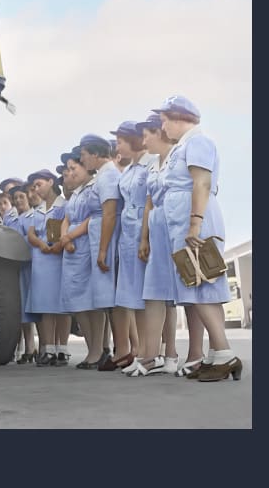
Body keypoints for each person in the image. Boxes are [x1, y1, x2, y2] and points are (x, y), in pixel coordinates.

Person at [154, 95, 242, 382]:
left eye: (165, 120)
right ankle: (217, 353)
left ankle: (225, 354)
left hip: (196, 219)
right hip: (186, 220)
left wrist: (195, 224)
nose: (162, 126)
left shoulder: (197, 142)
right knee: (198, 287)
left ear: (179, 118)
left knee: (201, 284)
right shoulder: (185, 145)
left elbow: (201, 181)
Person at [100, 122, 155, 372]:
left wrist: (145, 237)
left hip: (144, 232)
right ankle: (143, 352)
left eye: (121, 140)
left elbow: (148, 202)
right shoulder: (130, 169)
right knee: (134, 295)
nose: (117, 145)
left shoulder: (149, 164)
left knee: (148, 295)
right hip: (128, 235)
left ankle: (151, 352)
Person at [129, 114, 178, 376]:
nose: (144, 139)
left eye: (147, 133)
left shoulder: (177, 157)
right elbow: (149, 202)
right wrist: (144, 238)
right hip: (156, 227)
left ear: (160, 132)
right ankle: (152, 355)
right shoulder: (152, 165)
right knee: (156, 291)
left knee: (177, 295)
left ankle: (171, 353)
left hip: (174, 225)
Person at [78, 134, 121, 370]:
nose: (83, 160)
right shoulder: (103, 175)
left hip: (106, 240)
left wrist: (103, 250)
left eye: (84, 155)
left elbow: (109, 213)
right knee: (105, 299)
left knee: (111, 299)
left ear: (95, 154)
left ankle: (120, 350)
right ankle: (112, 350)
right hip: (99, 238)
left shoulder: (107, 176)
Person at [26, 169, 70, 366]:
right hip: (42, 258)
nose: (37, 189)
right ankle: (49, 348)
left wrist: (57, 245)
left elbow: (64, 230)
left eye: (39, 184)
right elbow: (31, 234)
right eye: (34, 186)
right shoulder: (38, 210)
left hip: (58, 258)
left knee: (61, 305)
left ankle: (63, 348)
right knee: (45, 305)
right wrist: (40, 244)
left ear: (51, 182)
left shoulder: (63, 205)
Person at [8, 184, 42, 363]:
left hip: (32, 265)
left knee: (37, 306)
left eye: (21, 197)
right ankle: (29, 347)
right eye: (15, 198)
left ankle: (43, 346)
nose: (18, 201)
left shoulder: (34, 217)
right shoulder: (11, 219)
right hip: (18, 267)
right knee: (23, 310)